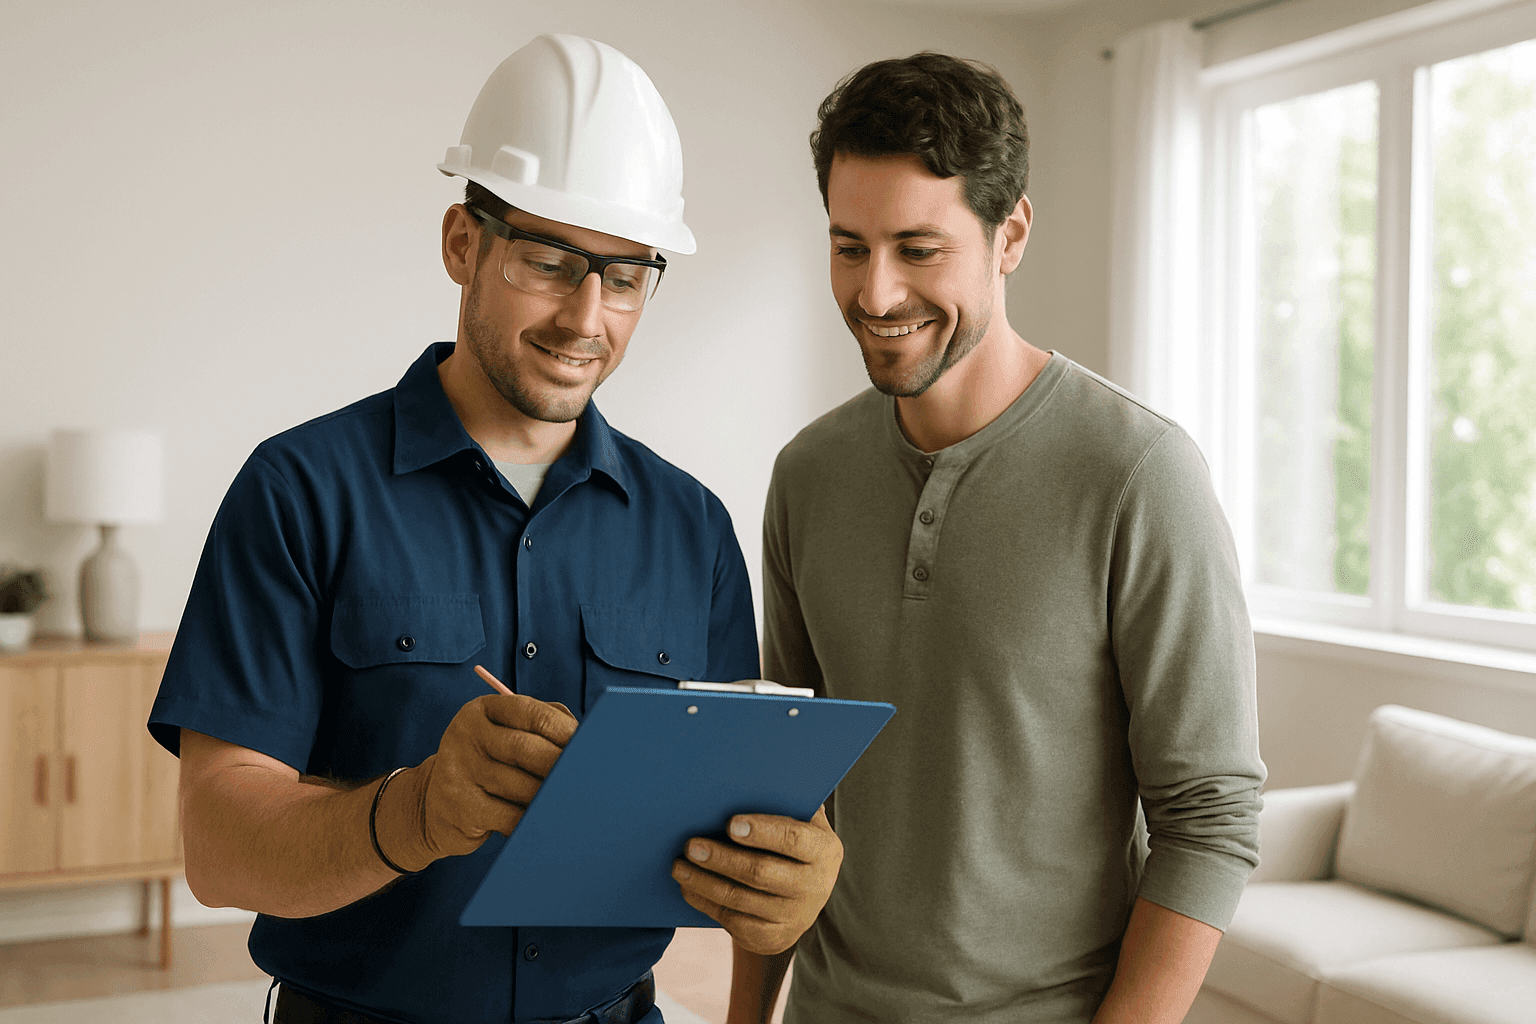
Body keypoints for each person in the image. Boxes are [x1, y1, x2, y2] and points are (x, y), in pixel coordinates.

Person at [149, 34, 841, 1024]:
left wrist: (782, 892)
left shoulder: (692, 527)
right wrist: (418, 810)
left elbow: (734, 824)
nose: (586, 317)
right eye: (549, 262)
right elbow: (219, 849)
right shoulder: (298, 490)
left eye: (625, 277)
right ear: (462, 244)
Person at [726, 53, 1266, 1024]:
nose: (876, 293)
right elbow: (781, 791)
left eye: (917, 249)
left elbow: (1209, 818)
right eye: (849, 247)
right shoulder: (807, 474)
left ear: (1008, 234)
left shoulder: (1139, 474)